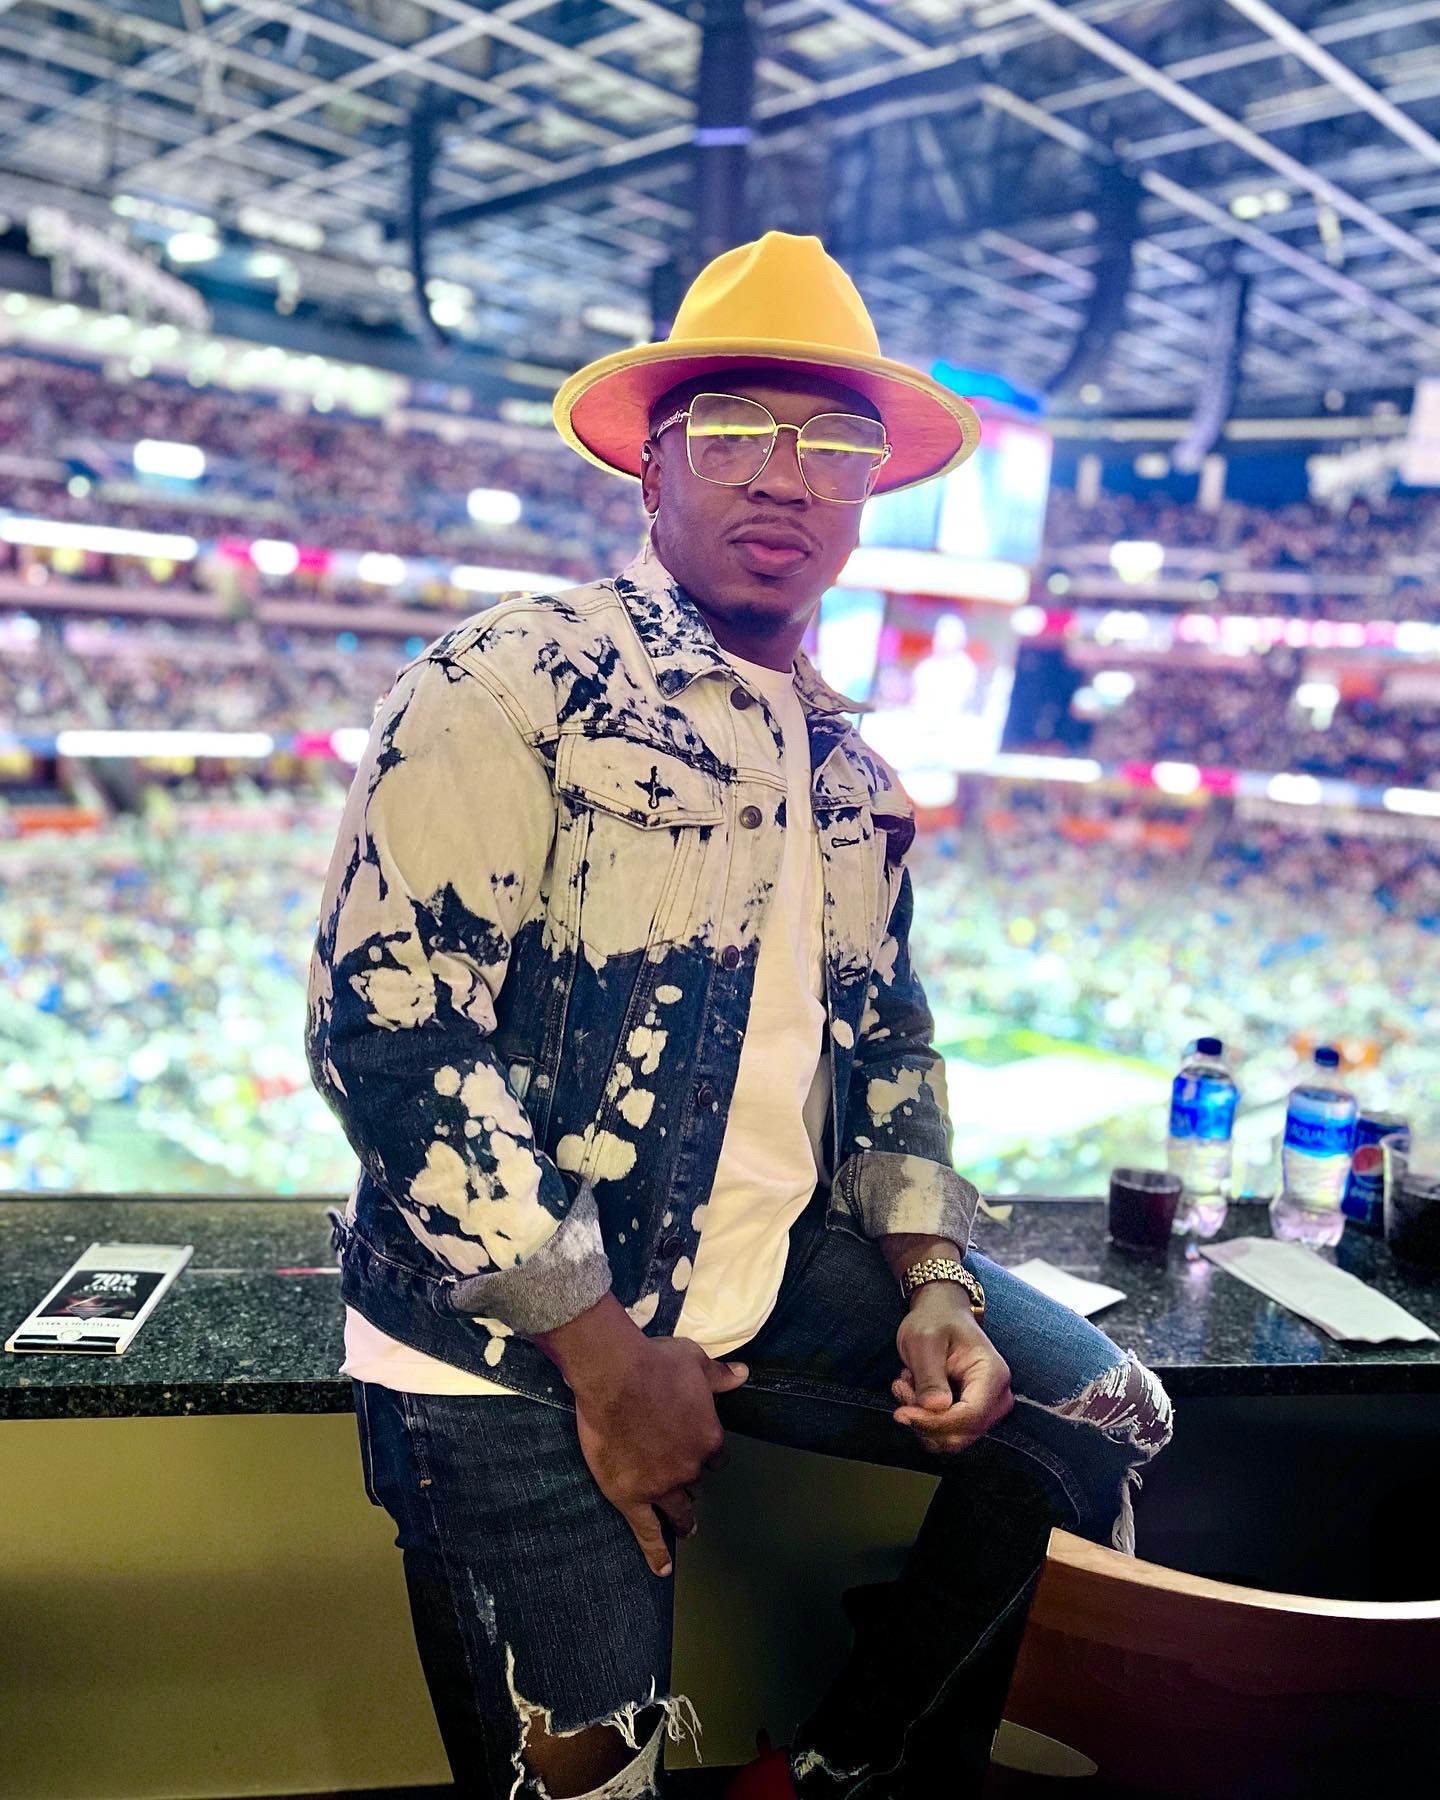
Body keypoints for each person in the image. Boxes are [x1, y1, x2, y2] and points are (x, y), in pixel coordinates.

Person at [306, 232, 1173, 1800]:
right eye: (734, 432)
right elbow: (393, 1030)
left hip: (766, 1277)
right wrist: (602, 1353)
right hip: (509, 1337)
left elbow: (891, 1040)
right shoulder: (516, 677)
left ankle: (842, 1767)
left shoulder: (848, 768)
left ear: (868, 495)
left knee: (1103, 1414)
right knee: (597, 1781)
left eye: (833, 442)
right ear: (651, 468)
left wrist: (932, 1278)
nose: (785, 474)